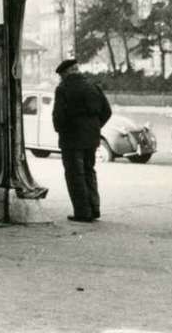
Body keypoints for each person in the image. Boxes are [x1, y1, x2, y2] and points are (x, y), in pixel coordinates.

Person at [52, 58, 112, 223]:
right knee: (89, 171)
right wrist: (95, 127)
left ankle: (82, 212)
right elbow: (107, 111)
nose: (61, 78)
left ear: (66, 73)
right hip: (91, 138)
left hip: (71, 138)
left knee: (74, 174)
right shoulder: (93, 87)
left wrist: (61, 129)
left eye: (62, 75)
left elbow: (58, 116)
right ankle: (94, 209)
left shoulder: (63, 89)